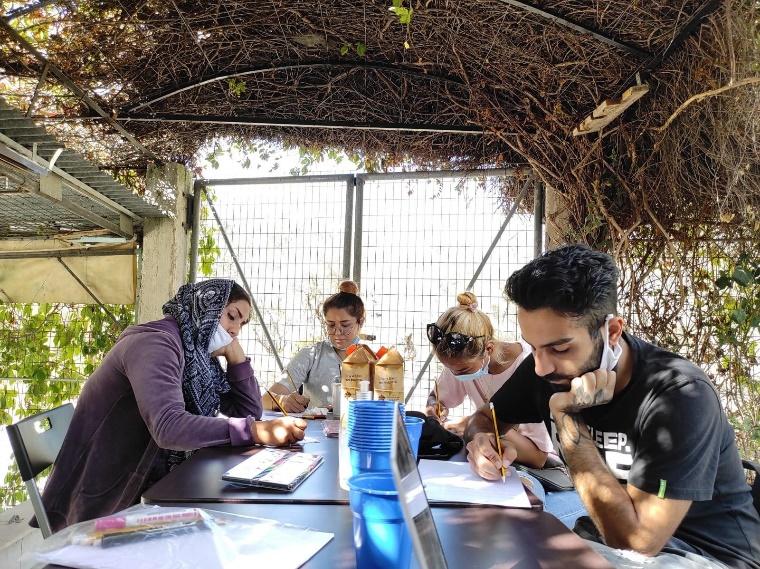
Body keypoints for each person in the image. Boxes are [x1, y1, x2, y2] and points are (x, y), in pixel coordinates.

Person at [465, 245, 760, 568]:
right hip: (606, 538)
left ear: (613, 331)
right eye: (534, 348)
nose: (540, 367)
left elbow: (639, 542)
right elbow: (483, 418)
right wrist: (481, 441)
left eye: (560, 347)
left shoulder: (679, 395)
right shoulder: (547, 369)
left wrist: (567, 420)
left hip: (707, 556)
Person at [38, 279, 306, 532]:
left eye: (243, 324)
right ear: (205, 306)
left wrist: (238, 360)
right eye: (231, 316)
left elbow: (249, 412)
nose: (235, 330)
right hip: (111, 501)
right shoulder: (156, 343)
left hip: (154, 484)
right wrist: (256, 431)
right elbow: (169, 427)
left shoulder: (197, 356)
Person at [424, 292, 553, 464]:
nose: (456, 375)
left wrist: (475, 425)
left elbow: (538, 457)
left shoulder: (530, 368)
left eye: (463, 370)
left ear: (489, 349)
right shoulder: (460, 361)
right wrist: (434, 410)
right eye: (449, 369)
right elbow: (437, 399)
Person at [267, 280, 364, 412]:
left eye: (345, 325)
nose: (337, 332)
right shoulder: (312, 354)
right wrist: (281, 401)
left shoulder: (374, 360)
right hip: (315, 430)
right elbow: (266, 399)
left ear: (361, 322)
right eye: (330, 325)